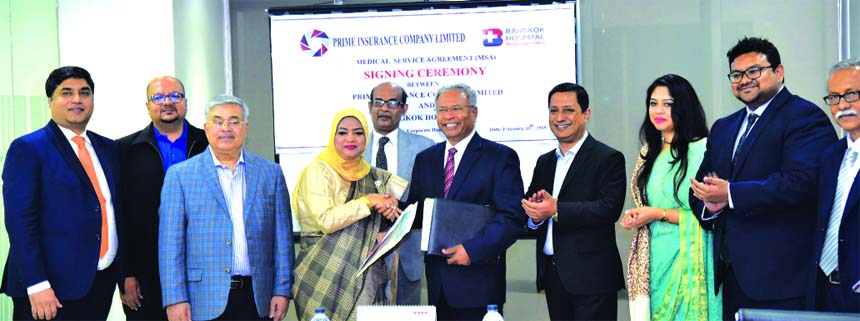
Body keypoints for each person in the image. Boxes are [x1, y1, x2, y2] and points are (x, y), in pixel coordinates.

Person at [689, 37, 837, 319]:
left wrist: (731, 194)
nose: (744, 80)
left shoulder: (805, 117)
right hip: (733, 275)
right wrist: (711, 205)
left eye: (754, 71)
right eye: (736, 74)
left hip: (783, 279)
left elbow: (801, 183)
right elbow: (701, 189)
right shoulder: (723, 127)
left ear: (778, 72)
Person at [1, 66, 122, 320]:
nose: (77, 99)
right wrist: (37, 284)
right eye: (66, 92)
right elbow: (20, 223)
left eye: (84, 92)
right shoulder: (28, 149)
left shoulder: (108, 148)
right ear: (50, 100)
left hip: (99, 283)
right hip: (49, 291)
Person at [158, 95, 294, 321]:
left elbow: (282, 241)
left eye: (234, 121)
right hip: (202, 299)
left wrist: (282, 290)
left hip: (257, 297)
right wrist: (175, 298)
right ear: (206, 127)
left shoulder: (271, 174)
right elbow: (170, 245)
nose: (226, 128)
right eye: (218, 121)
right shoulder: (180, 176)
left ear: (246, 127)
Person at [405, 83, 526, 320]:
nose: (449, 116)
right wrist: (392, 209)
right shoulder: (425, 159)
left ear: (474, 112)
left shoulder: (500, 157)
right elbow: (418, 212)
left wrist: (473, 250)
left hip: (479, 285)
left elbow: (512, 218)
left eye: (456, 109)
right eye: (442, 110)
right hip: (438, 287)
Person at [620, 74, 721, 320]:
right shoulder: (648, 153)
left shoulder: (702, 149)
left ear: (683, 107)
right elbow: (648, 203)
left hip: (691, 257)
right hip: (654, 257)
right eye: (653, 103)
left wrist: (656, 214)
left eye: (668, 103)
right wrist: (640, 215)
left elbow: (708, 214)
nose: (658, 110)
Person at [522, 82, 626, 321]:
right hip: (552, 276)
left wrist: (556, 209)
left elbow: (608, 209)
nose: (560, 117)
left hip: (593, 280)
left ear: (585, 114)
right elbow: (531, 206)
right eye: (553, 110)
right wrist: (534, 214)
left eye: (568, 110)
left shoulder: (607, 157)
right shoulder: (544, 162)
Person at [292, 108, 407, 321]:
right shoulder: (318, 171)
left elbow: (404, 206)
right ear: (332, 137)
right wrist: (367, 201)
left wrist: (390, 211)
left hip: (367, 279)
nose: (351, 139)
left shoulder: (376, 176)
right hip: (320, 274)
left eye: (358, 132)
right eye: (343, 133)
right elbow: (327, 220)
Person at [118, 76, 208, 320]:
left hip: (203, 270)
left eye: (175, 95)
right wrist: (125, 273)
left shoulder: (208, 145)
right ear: (147, 105)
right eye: (158, 97)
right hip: (146, 272)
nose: (167, 102)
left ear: (186, 103)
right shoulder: (125, 151)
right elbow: (119, 215)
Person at [364, 82, 435, 305]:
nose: (384, 108)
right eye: (379, 102)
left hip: (406, 255)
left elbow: (429, 201)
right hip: (360, 254)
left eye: (393, 102)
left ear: (404, 109)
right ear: (369, 106)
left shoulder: (425, 147)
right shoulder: (354, 145)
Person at [807, 58, 860, 313]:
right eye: (834, 97)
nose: (843, 105)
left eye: (851, 94)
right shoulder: (831, 155)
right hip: (825, 289)